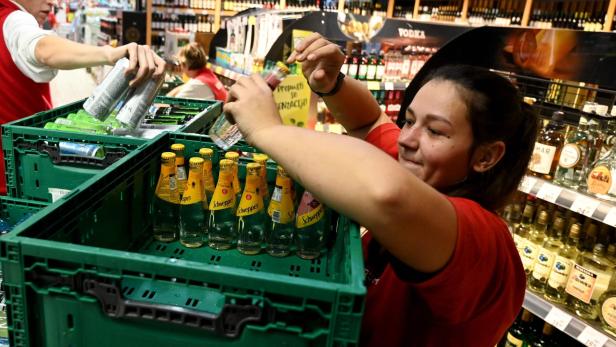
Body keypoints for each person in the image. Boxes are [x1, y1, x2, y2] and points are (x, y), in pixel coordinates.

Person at [223, 33, 538, 346]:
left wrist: (267, 130)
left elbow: (389, 197)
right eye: (409, 121)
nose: (406, 140)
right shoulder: (423, 170)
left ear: (486, 156)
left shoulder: (486, 244)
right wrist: (331, 83)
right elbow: (369, 122)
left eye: (435, 131)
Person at [0, 0, 165, 194]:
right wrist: (110, 53)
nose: (52, 2)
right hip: (22, 175)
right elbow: (41, 49)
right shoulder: (12, 18)